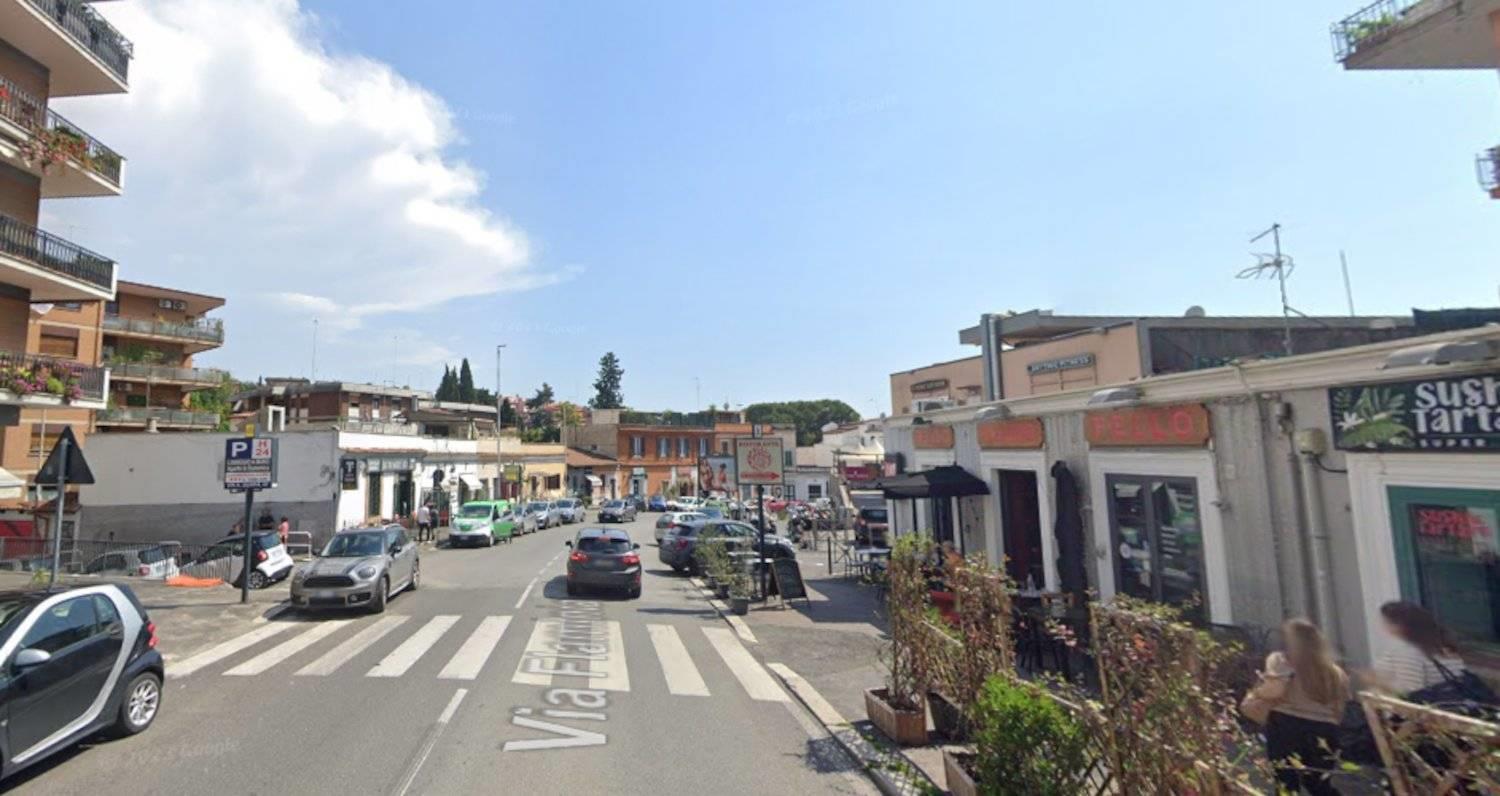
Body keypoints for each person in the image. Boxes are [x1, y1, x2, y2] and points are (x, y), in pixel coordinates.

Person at [1245, 619, 1349, 796]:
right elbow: (1339, 710)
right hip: (1325, 730)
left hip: (1287, 726)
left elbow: (1274, 691)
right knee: (1320, 785)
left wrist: (1255, 693)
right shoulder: (1335, 672)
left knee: (1286, 784)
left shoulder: (1281, 660)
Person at [1370, 601, 1467, 697]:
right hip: (1452, 700)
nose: (1382, 626)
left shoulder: (1406, 651)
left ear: (1398, 626)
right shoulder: (1445, 645)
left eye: (1385, 622)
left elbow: (1412, 692)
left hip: (1425, 704)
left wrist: (1378, 682)